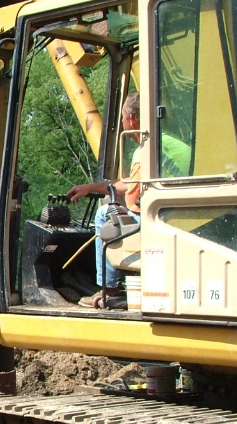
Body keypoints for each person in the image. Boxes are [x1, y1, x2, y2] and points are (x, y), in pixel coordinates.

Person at [66, 92, 190, 308]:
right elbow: (130, 183)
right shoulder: (177, 145)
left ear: (131, 119)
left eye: (122, 117)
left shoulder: (146, 150)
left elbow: (132, 197)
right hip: (182, 216)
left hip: (158, 219)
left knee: (105, 214)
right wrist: (91, 188)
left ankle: (109, 289)